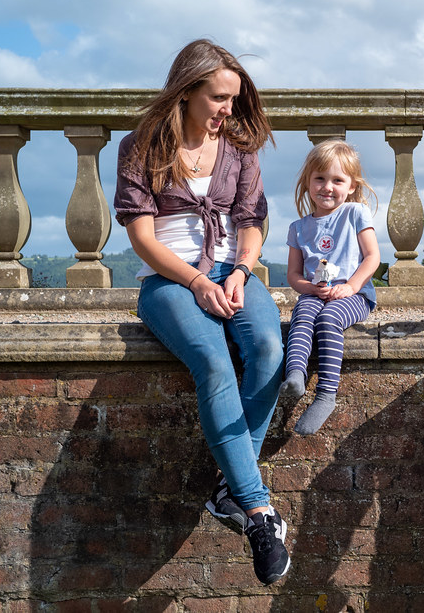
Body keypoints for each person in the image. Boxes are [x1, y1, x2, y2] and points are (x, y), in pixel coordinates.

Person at [113, 39, 289, 585]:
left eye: (233, 100)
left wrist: (238, 272)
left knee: (266, 347)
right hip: (168, 280)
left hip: (230, 272)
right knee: (213, 364)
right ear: (186, 91)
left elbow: (251, 223)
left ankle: (228, 489)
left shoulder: (238, 150)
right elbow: (142, 237)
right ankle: (258, 513)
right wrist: (194, 280)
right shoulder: (140, 146)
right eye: (217, 98)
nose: (227, 111)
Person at [278, 138, 380, 435]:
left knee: (327, 319)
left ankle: (326, 395)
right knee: (303, 315)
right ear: (308, 182)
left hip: (355, 294)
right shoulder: (298, 228)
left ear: (351, 186)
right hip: (317, 292)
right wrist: (310, 289)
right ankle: (295, 376)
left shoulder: (355, 213)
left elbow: (373, 257)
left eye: (337, 180)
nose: (327, 186)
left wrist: (351, 285)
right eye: (320, 178)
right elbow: (295, 275)